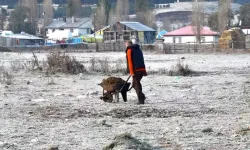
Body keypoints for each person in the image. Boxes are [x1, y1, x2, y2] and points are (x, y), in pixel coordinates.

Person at [125, 40, 147, 104]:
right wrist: (144, 70)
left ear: (127, 44)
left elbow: (130, 62)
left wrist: (131, 72)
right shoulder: (138, 49)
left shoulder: (129, 50)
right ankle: (142, 96)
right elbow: (141, 59)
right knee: (135, 84)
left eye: (125, 45)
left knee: (136, 84)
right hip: (141, 69)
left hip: (136, 70)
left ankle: (141, 100)